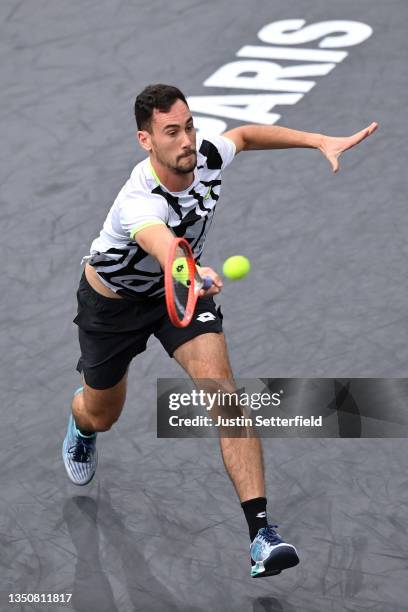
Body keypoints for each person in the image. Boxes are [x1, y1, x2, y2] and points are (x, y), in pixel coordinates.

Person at [62, 84, 378, 578]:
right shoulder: (138, 201)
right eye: (172, 132)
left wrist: (319, 140)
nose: (186, 139)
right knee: (102, 413)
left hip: (180, 300)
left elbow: (247, 136)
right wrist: (189, 271)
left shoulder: (204, 156)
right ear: (146, 140)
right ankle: (81, 426)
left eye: (189, 125)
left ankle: (262, 537)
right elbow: (162, 244)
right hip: (114, 308)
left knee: (225, 396)